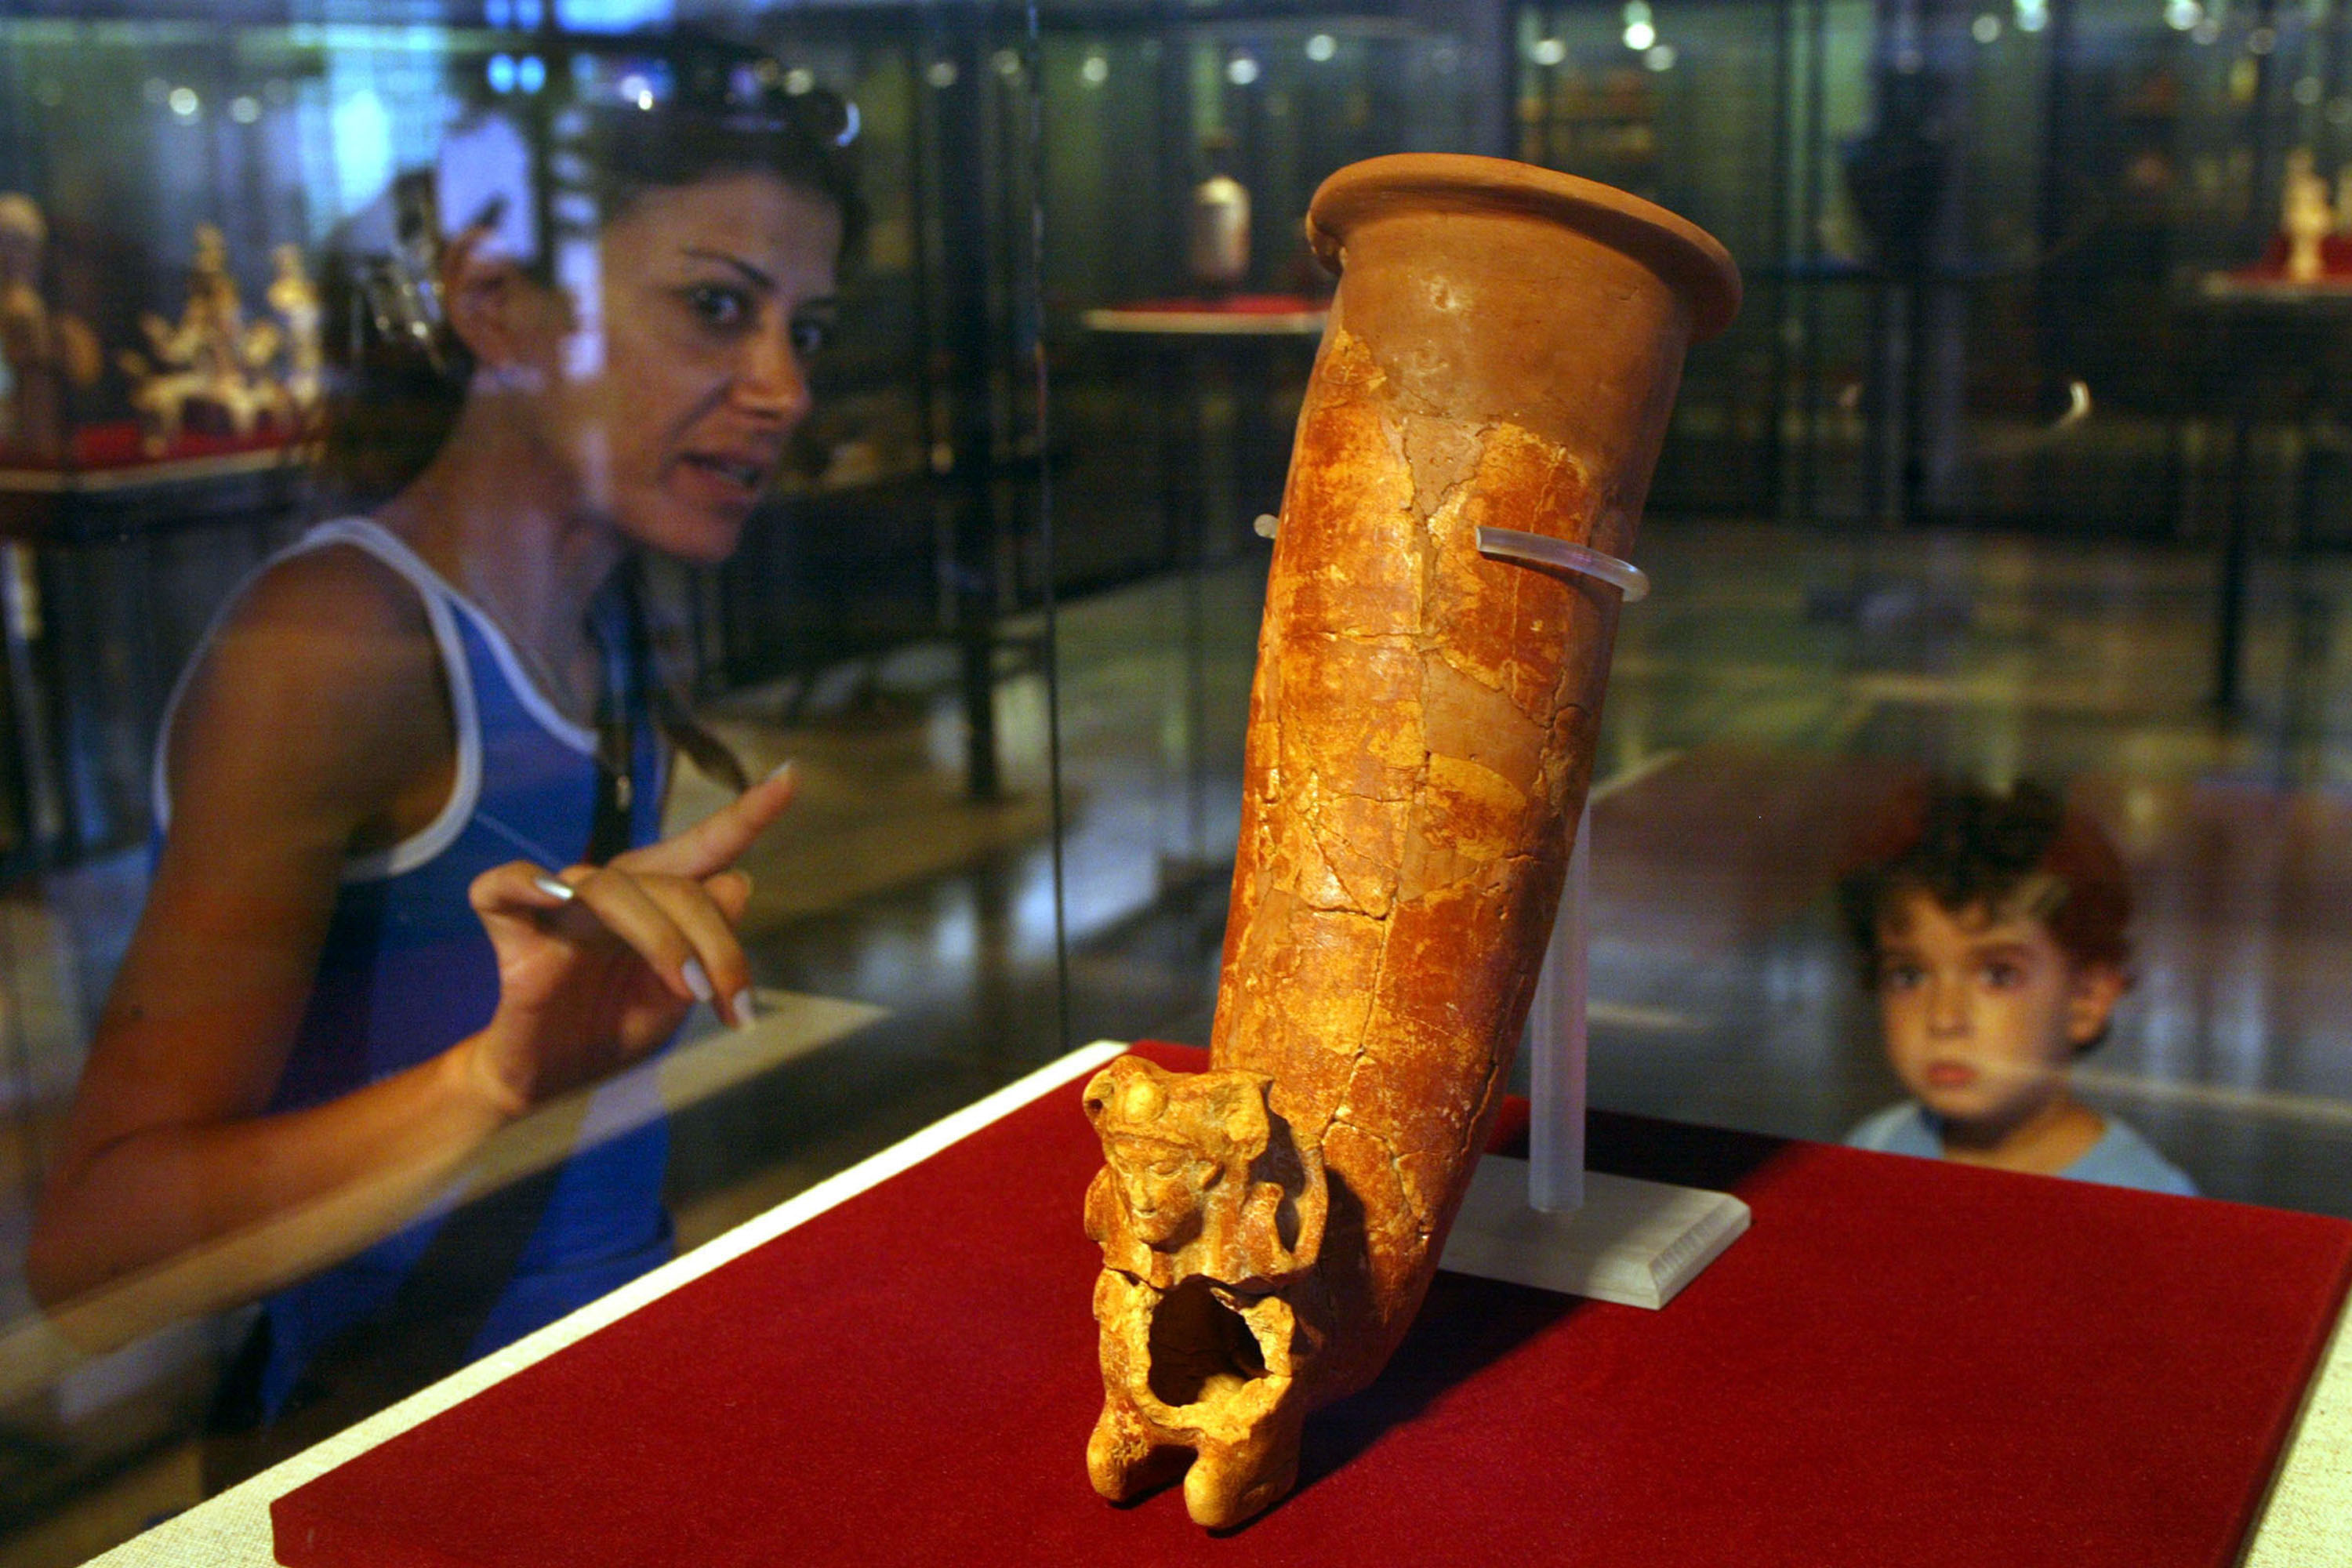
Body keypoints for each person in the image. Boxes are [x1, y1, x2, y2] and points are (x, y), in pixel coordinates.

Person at [25, 38, 860, 1483]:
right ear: (496, 304)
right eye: (717, 308)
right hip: (402, 1467)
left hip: (594, 1423)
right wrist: (488, 1081)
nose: (783, 387)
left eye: (809, 329)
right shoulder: (336, 649)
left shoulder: (608, 599)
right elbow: (97, 1260)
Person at [1837, 779, 2196, 1196]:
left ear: (2087, 999)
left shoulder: (2145, 1197)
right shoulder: (1874, 1147)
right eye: (1909, 976)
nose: (1944, 1018)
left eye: (1998, 975)